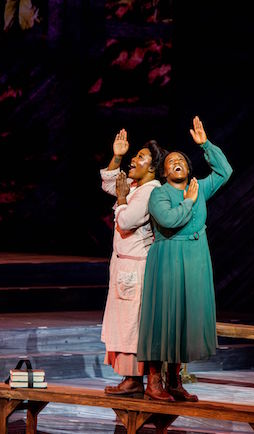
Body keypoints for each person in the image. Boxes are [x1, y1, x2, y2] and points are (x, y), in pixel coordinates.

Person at [137, 116, 233, 402]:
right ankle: (154, 381)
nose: (176, 162)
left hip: (195, 258)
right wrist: (189, 202)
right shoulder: (159, 194)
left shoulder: (200, 188)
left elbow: (225, 171)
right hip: (168, 257)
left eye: (181, 160)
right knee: (163, 316)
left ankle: (175, 380)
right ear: (165, 171)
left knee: (184, 319)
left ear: (188, 168)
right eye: (171, 161)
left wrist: (205, 145)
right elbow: (168, 219)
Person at [100, 128, 168, 396]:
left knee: (133, 324)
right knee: (124, 322)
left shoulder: (151, 192)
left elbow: (126, 221)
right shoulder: (138, 187)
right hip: (124, 265)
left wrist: (120, 199)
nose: (134, 160)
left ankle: (137, 378)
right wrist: (117, 157)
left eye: (140, 157)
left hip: (137, 267)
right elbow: (109, 183)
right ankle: (131, 378)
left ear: (152, 168)